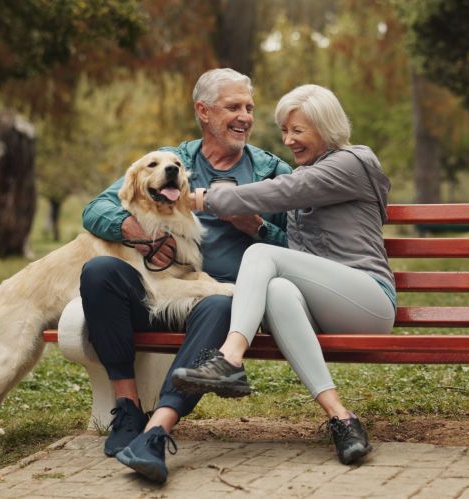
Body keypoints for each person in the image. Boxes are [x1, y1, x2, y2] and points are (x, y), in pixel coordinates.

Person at [79, 68, 292, 483]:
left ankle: (156, 431)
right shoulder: (172, 161)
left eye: (249, 108)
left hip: (221, 303)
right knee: (100, 270)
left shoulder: (270, 171)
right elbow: (96, 209)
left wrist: (260, 229)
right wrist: (135, 232)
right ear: (203, 111)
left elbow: (304, 248)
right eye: (233, 107)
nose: (245, 117)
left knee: (217, 302)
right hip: (159, 290)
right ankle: (126, 410)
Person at [171, 84, 396, 465]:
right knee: (276, 289)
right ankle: (342, 418)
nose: (289, 140)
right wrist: (260, 230)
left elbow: (282, 190)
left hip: (369, 300)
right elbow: (299, 254)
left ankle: (230, 357)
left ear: (325, 127)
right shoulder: (311, 172)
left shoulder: (352, 163)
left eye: (298, 131)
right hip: (327, 303)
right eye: (285, 131)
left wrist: (200, 198)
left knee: (261, 257)